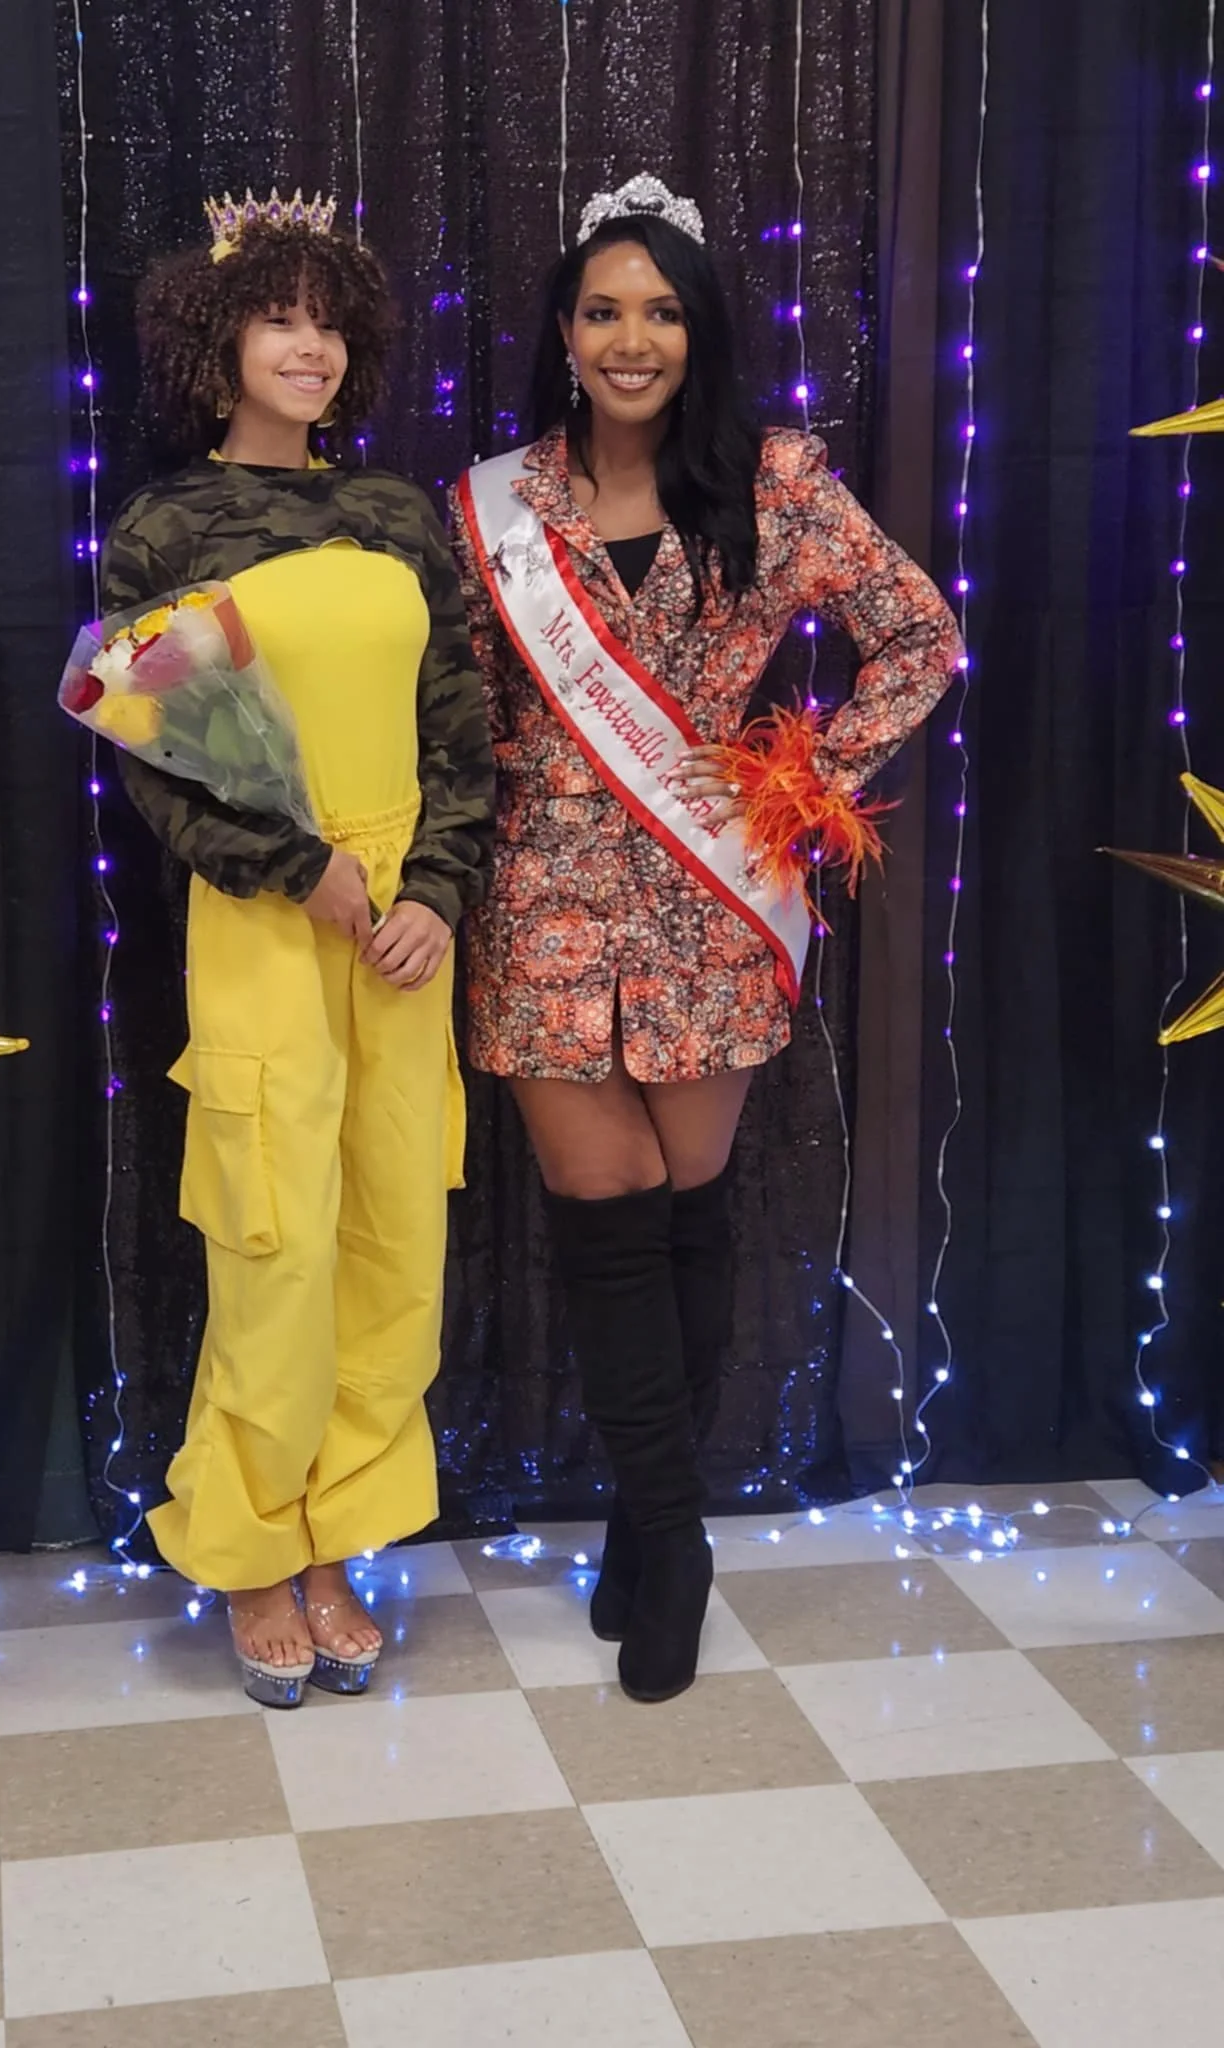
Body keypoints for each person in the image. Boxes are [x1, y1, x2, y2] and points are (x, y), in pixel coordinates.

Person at [450, 175, 961, 1706]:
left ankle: (642, 1528)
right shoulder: (492, 506)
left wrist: (801, 782)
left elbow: (922, 636)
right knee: (600, 1218)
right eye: (603, 309)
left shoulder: (781, 481)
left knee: (684, 1208)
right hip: (538, 905)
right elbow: (460, 717)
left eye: (661, 310)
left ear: (699, 332)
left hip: (713, 898)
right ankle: (670, 1543)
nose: (631, 337)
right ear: (563, 331)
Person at [101, 190, 494, 1707]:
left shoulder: (398, 514)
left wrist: (434, 891)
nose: (310, 344)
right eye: (281, 316)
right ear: (220, 340)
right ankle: (253, 1550)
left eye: (330, 320)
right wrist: (301, 867)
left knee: (398, 1232)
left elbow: (463, 733)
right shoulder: (169, 524)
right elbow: (155, 746)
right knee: (274, 1240)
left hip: (404, 928)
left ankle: (346, 1542)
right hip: (269, 916)